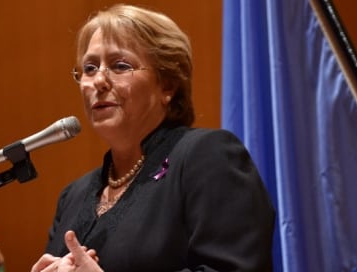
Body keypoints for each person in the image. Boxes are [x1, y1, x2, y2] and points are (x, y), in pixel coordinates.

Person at [31, 4, 274, 272]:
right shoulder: (73, 196)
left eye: (120, 65)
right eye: (89, 68)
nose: (98, 80)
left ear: (167, 84)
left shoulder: (207, 157)